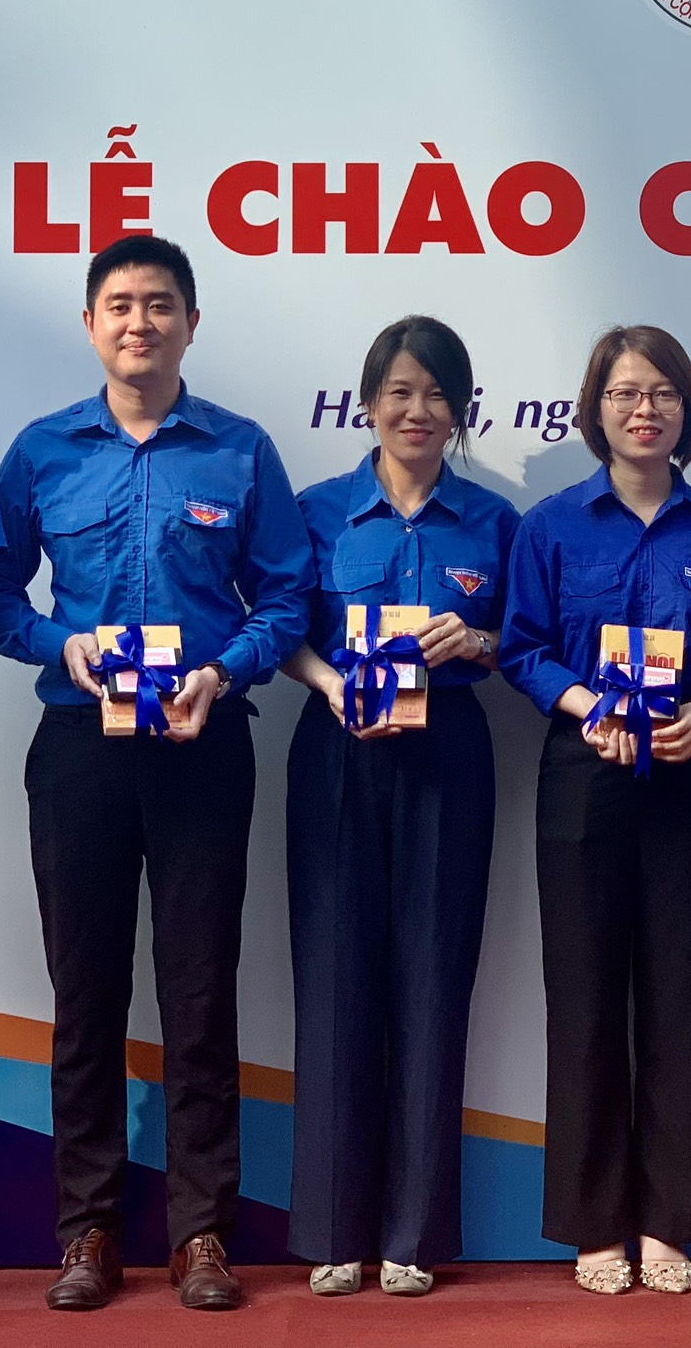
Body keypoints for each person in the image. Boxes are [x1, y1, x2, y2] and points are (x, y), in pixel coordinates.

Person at [0, 234, 314, 1314]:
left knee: (201, 991)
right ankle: (87, 1229)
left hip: (203, 744)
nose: (139, 322)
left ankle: (202, 1232)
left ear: (190, 324)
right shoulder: (41, 452)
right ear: (90, 325)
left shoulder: (241, 451)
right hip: (80, 746)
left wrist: (226, 669)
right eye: (119, 304)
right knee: (86, 994)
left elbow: (287, 599)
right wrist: (55, 643)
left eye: (160, 304)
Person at [501, 325, 691, 1294]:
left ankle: (671, 1220)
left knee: (681, 994)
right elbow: (522, 647)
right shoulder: (552, 527)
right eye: (623, 393)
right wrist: (588, 707)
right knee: (583, 997)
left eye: (661, 393)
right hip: (585, 774)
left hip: (690, 773)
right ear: (596, 411)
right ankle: (592, 1223)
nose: (643, 409)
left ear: (686, 410)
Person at [278, 317, 516, 1297]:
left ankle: (414, 1233)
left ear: (460, 410)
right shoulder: (316, 511)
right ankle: (337, 1229)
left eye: (437, 394)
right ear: (368, 402)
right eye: (400, 392)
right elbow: (281, 630)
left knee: (433, 980)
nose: (418, 411)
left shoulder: (493, 521)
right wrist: (328, 682)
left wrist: (479, 644)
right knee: (335, 979)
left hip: (448, 753)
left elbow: (523, 641)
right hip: (339, 746)